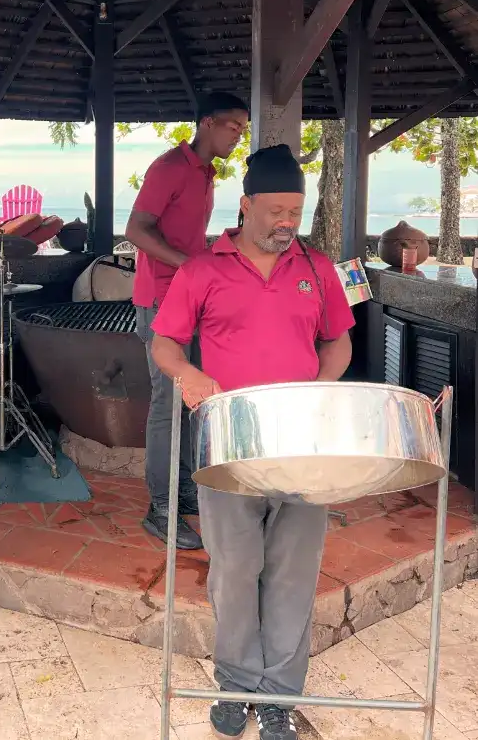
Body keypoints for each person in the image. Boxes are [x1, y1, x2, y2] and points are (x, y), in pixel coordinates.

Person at [150, 143, 354, 740]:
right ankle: (236, 684)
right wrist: (187, 376)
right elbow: (165, 344)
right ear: (245, 206)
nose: (288, 222)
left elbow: (337, 341)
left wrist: (318, 388)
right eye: (276, 211)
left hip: (301, 444)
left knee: (294, 570)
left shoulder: (317, 269)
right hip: (229, 445)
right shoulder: (201, 270)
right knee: (235, 569)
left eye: (297, 210)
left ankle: (279, 698)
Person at [125, 91, 249, 549]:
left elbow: (188, 235)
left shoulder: (206, 174)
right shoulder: (171, 167)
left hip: (188, 297)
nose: (238, 136)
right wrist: (188, 265)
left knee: (191, 398)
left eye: (242, 129)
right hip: (160, 302)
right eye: (233, 127)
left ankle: (183, 491)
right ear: (207, 122)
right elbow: (135, 230)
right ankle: (160, 508)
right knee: (166, 403)